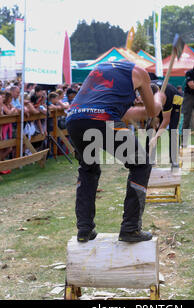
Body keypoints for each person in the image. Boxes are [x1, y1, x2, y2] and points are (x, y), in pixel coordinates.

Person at [65, 61, 163, 243]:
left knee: (88, 169)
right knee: (141, 164)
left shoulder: (100, 68)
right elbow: (152, 111)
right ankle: (131, 228)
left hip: (74, 118)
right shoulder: (141, 73)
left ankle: (84, 229)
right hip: (102, 118)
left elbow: (128, 114)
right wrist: (159, 98)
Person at [148, 80, 184, 167]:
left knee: (173, 130)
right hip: (159, 103)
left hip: (175, 103)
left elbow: (166, 120)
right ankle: (149, 158)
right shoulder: (146, 88)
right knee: (150, 128)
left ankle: (174, 160)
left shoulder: (166, 96)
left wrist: (156, 137)